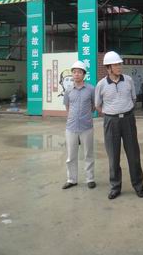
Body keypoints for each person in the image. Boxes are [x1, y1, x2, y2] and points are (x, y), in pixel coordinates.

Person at [95, 51, 143, 200]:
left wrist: (124, 110)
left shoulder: (128, 80)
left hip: (128, 120)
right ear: (108, 68)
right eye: (115, 65)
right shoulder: (101, 85)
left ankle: (138, 186)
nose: (119, 67)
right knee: (113, 156)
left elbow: (133, 99)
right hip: (111, 122)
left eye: (119, 64)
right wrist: (110, 114)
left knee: (133, 155)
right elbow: (98, 105)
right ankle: (115, 187)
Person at [62, 61, 96, 190]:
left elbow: (93, 106)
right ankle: (72, 179)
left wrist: (85, 116)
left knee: (88, 154)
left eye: (79, 72)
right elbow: (67, 107)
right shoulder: (68, 90)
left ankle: (90, 179)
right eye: (74, 72)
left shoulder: (91, 89)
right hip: (71, 127)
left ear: (84, 74)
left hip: (86, 126)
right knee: (71, 155)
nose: (76, 74)